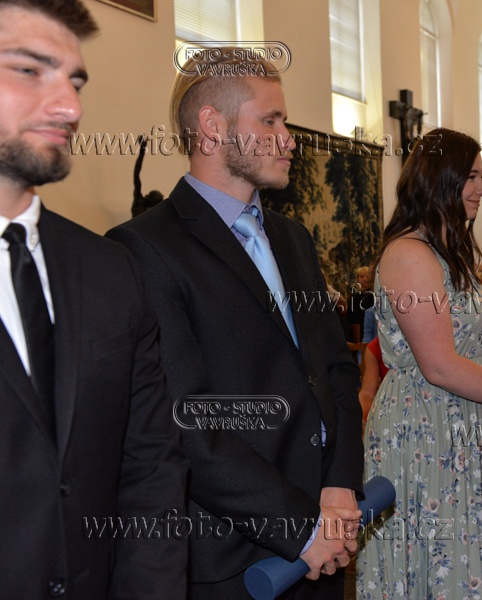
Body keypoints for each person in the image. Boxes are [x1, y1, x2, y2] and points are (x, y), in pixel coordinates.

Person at [107, 49, 363, 598]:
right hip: (237, 554)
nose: (288, 139)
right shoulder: (144, 248)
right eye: (270, 121)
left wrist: (339, 484)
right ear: (211, 126)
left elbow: (336, 371)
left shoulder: (292, 238)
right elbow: (185, 421)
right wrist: (299, 526)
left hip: (324, 528)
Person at [0, 1, 188, 597]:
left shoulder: (110, 270)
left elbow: (150, 465)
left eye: (75, 82)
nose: (71, 108)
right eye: (29, 70)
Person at [356, 128, 482, 600]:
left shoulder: (451, 251)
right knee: (434, 559)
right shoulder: (410, 254)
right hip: (426, 428)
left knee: (465, 560)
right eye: (472, 177)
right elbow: (441, 366)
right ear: (439, 179)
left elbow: (479, 342)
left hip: (463, 423)